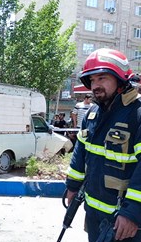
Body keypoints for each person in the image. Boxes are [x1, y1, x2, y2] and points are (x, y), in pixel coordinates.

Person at [65, 48, 141, 241]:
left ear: (120, 81)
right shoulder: (92, 114)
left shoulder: (137, 114)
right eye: (92, 80)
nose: (95, 85)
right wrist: (72, 186)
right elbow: (80, 153)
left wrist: (133, 213)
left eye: (102, 78)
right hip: (95, 215)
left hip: (125, 221)